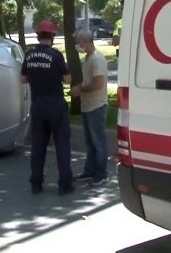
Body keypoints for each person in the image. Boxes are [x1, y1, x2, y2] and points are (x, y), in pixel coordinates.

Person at [21, 20, 73, 195]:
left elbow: (22, 79)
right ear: (52, 36)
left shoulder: (29, 55)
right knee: (62, 145)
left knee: (38, 146)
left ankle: (36, 183)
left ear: (38, 36)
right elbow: (67, 80)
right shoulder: (56, 55)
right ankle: (65, 185)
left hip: (38, 105)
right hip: (55, 105)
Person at [71, 29, 109, 185]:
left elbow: (98, 83)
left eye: (78, 42)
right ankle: (89, 171)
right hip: (88, 106)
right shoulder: (87, 59)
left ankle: (101, 174)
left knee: (98, 142)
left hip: (96, 106)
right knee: (90, 142)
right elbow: (89, 81)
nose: (77, 45)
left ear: (85, 41)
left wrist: (80, 90)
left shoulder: (97, 59)